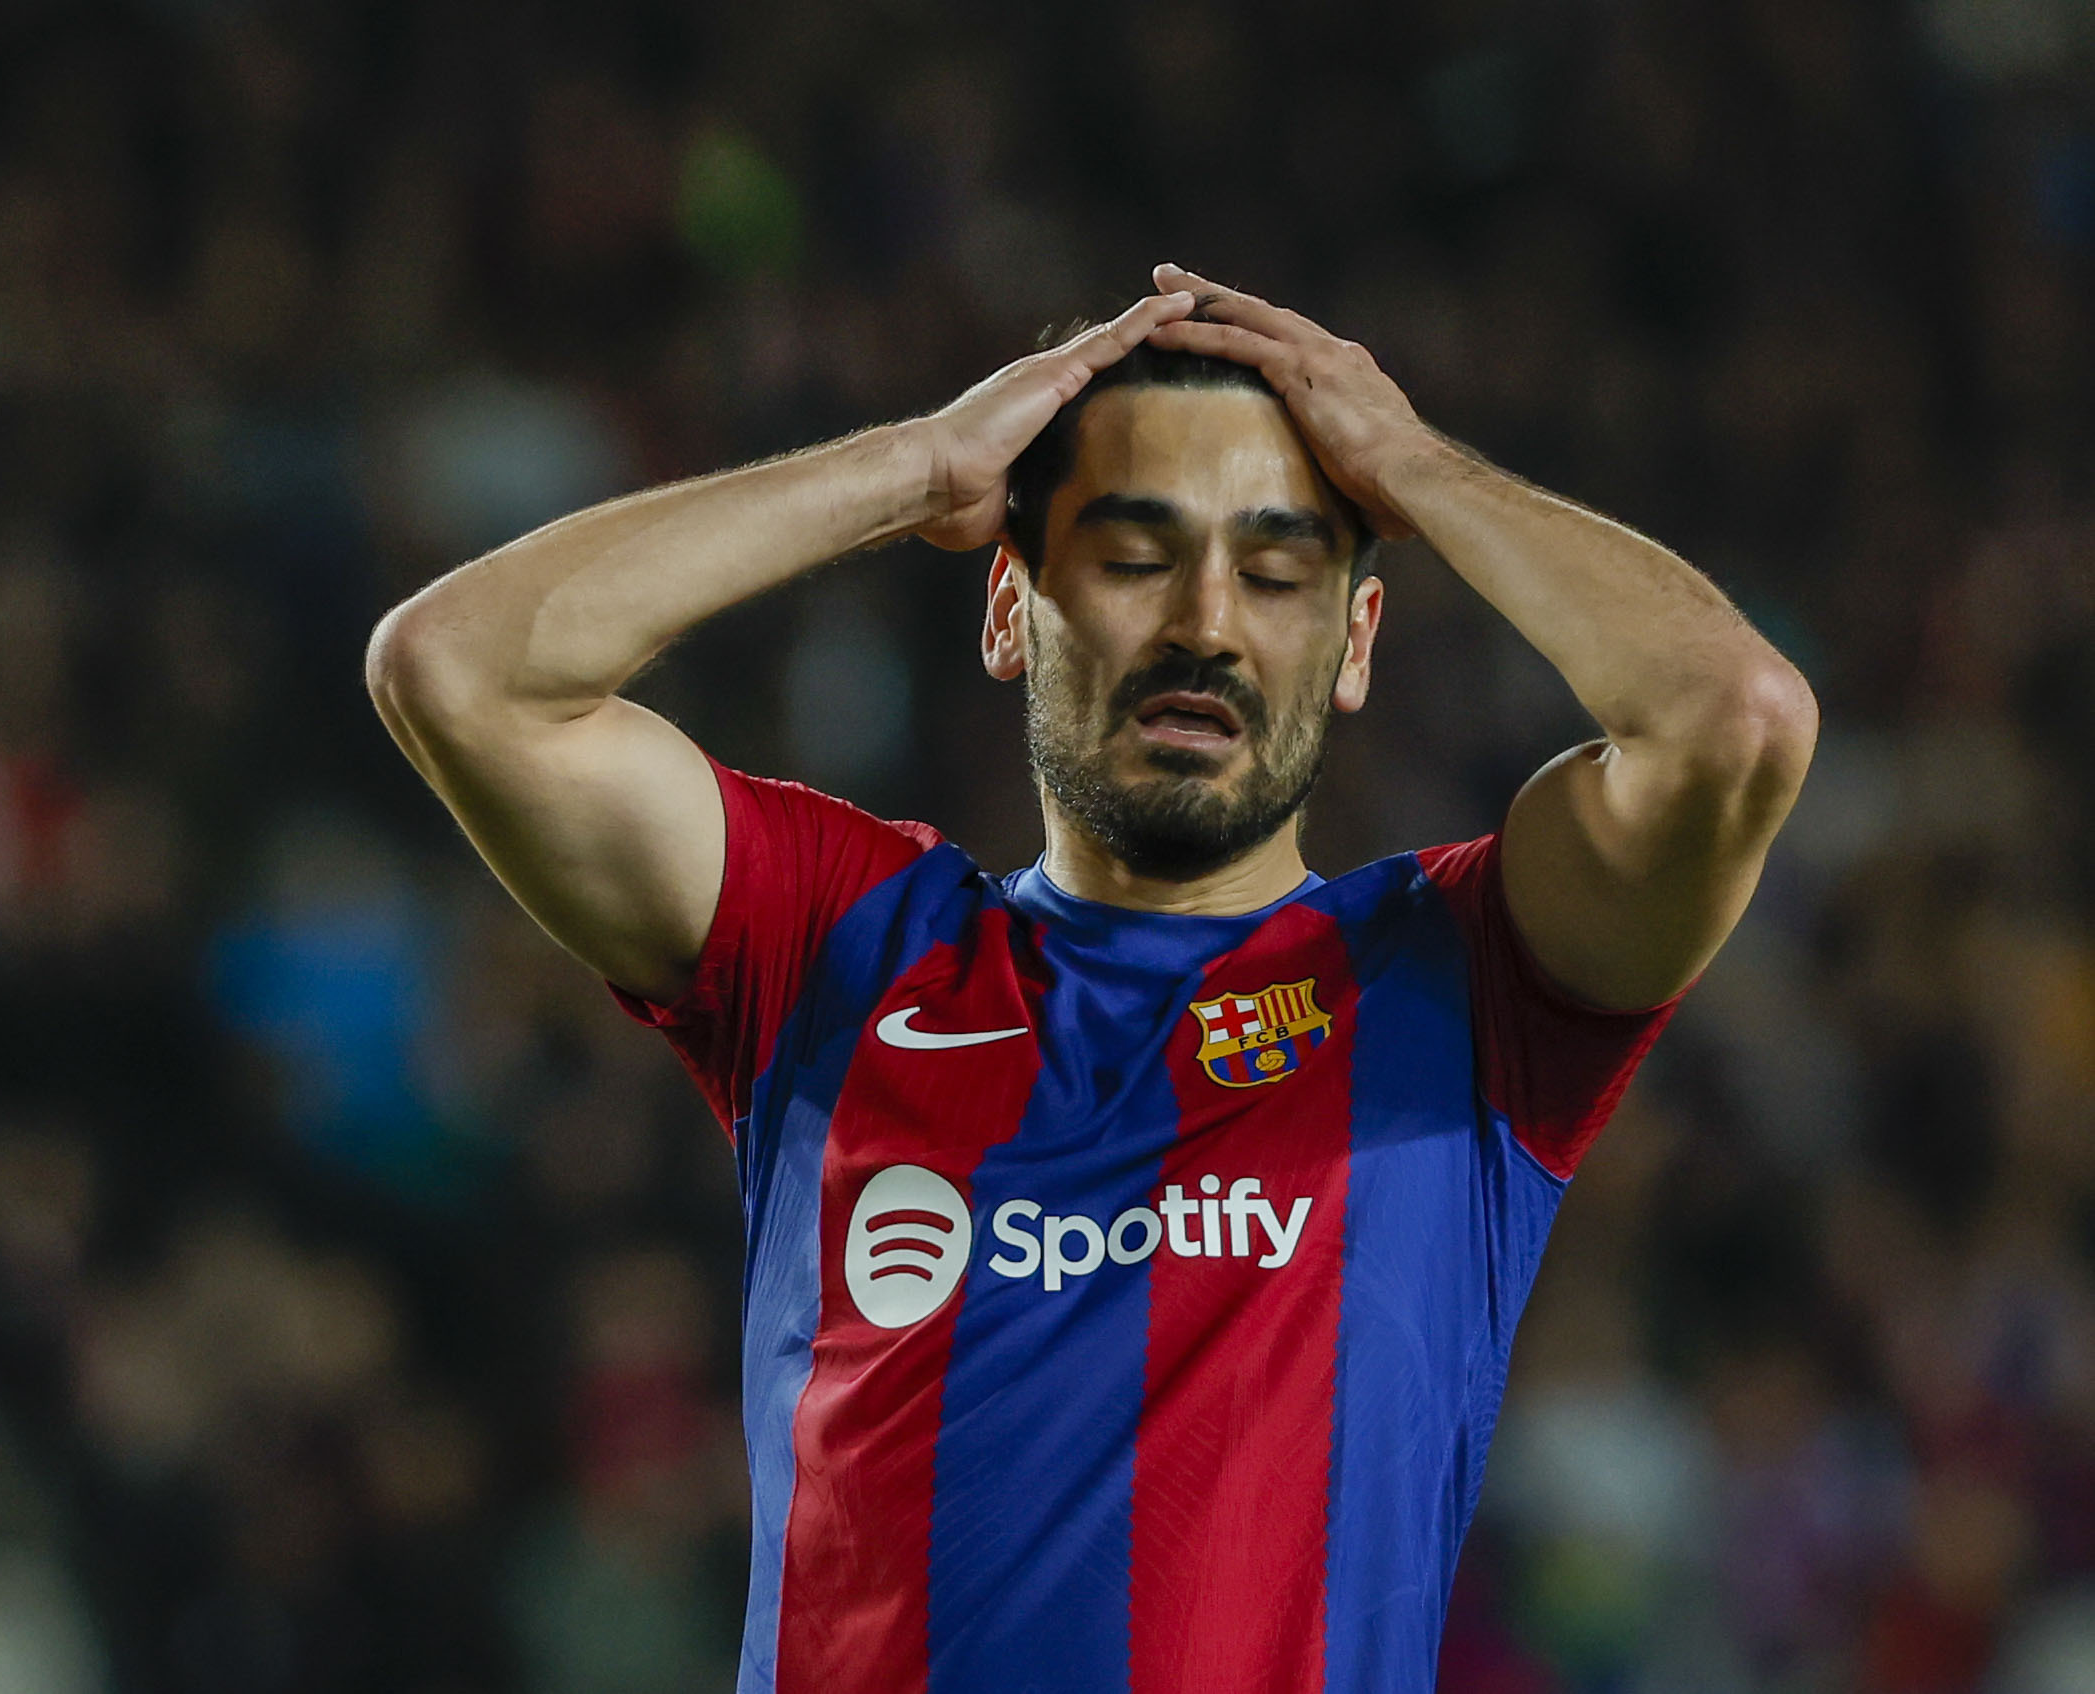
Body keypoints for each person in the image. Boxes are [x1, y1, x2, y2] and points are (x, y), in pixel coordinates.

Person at [364, 264, 1817, 1694]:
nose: (1205, 623)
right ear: (1010, 608)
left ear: (1354, 642)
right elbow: (456, 670)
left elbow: (1734, 721)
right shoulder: (835, 944)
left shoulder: (1461, 981)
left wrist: (1419, 469)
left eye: (1277, 573)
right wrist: (914, 466)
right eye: (1132, 557)